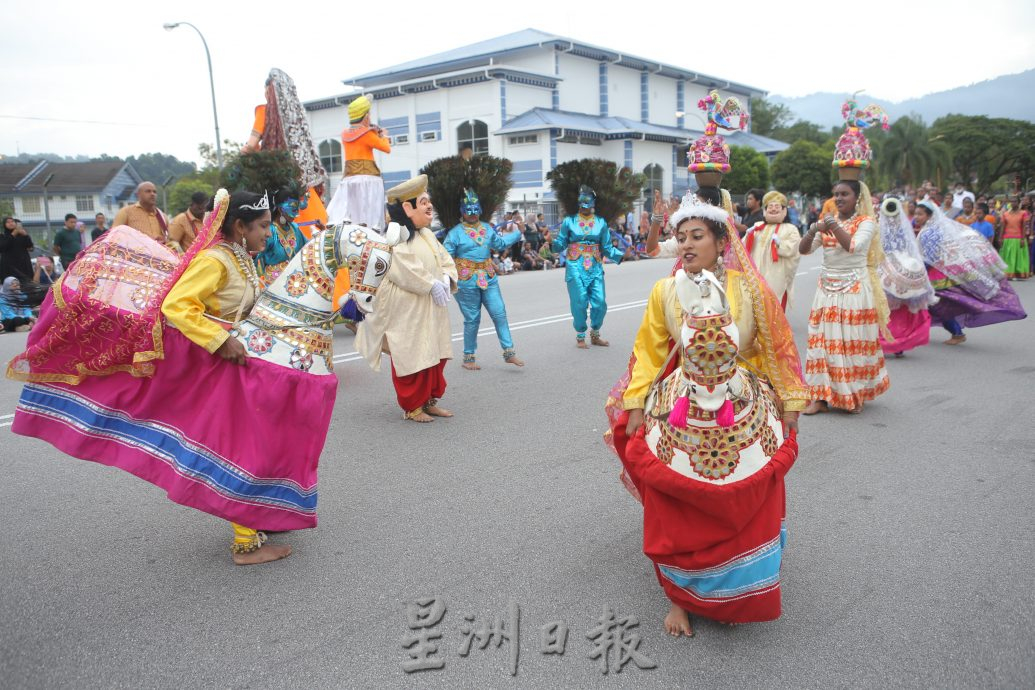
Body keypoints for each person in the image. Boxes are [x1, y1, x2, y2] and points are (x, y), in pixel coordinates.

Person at [605, 191, 805, 636]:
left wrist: (788, 401)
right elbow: (649, 351)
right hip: (682, 405)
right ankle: (680, 597)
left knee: (749, 496)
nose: (688, 244)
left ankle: (744, 586)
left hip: (741, 401)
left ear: (721, 240)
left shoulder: (749, 288)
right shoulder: (664, 290)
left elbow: (775, 344)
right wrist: (636, 404)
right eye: (681, 237)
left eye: (698, 235)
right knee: (676, 502)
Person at [800, 99, 891, 415]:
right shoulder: (828, 219)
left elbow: (852, 246)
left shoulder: (866, 222)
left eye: (844, 195)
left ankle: (852, 394)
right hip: (827, 290)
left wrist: (832, 224)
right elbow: (803, 250)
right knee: (822, 341)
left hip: (854, 291)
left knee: (850, 343)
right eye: (836, 194)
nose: (838, 199)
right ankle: (821, 397)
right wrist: (812, 231)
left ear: (857, 197)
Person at [355, 175, 458, 422]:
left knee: (435, 350)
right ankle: (412, 407)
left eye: (428, 201)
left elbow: (445, 259)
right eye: (423, 202)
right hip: (408, 307)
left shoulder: (427, 235)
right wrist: (429, 283)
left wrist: (445, 278)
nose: (429, 206)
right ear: (407, 208)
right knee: (413, 353)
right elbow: (403, 268)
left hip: (432, 305)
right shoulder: (396, 236)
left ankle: (429, 400)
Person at [914, 200, 1026, 344]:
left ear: (929, 216)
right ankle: (921, 333)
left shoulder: (929, 232)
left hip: (935, 274)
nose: (916, 217)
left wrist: (918, 272)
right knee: (930, 305)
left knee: (936, 305)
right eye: (916, 214)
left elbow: (930, 258)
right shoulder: (930, 229)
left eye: (920, 214)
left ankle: (956, 333)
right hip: (937, 272)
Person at [443, 189, 524, 370]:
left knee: (499, 312)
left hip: (488, 277)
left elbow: (500, 244)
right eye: (468, 209)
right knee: (472, 319)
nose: (472, 213)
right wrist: (447, 278)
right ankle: (468, 357)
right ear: (462, 211)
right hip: (465, 281)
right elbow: (444, 256)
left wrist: (518, 233)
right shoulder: (455, 233)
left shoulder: (487, 228)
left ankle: (509, 352)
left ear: (480, 209)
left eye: (475, 209)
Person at [242, 69, 329, 239]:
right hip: (306, 195)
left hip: (280, 195)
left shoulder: (264, 112)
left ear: (270, 91)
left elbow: (250, 146)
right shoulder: (296, 119)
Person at [551, 185, 624, 348]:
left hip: (595, 265)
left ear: (593, 204)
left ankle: (595, 334)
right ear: (578, 204)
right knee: (580, 300)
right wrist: (552, 244)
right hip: (575, 264)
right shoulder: (569, 221)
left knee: (600, 302)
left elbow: (606, 246)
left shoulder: (601, 222)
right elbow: (561, 243)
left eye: (588, 203)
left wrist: (619, 255)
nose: (585, 207)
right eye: (582, 204)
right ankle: (580, 336)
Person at [876, 197, 937, 357]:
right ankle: (899, 342)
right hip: (899, 268)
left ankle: (888, 341)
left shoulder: (879, 227)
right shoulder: (903, 227)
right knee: (899, 309)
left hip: (887, 269)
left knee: (887, 309)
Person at [325, 94, 391, 229]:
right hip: (368, 179)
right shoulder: (367, 133)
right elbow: (386, 148)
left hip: (349, 179)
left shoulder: (344, 134)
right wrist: (383, 135)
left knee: (351, 214)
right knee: (370, 215)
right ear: (366, 116)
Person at [743, 191, 801, 310]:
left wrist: (780, 244)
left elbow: (793, 249)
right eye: (770, 207)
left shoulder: (790, 229)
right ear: (764, 210)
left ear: (784, 211)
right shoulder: (758, 226)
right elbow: (744, 248)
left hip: (777, 274)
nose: (773, 209)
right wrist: (749, 235)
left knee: (774, 305)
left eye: (777, 207)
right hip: (757, 273)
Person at [254, 183, 310, 287]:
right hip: (273, 286)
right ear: (280, 210)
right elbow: (255, 257)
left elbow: (308, 248)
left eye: (297, 209)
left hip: (296, 283)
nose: (296, 213)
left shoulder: (295, 228)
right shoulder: (270, 231)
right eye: (292, 209)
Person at [998, 196, 1031, 279]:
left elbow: (1024, 226)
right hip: (1007, 238)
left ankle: (1018, 273)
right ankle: (1008, 274)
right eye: (1011, 201)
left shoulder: (1023, 213)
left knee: (1018, 257)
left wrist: (1023, 238)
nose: (1013, 203)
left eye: (1015, 201)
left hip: (1019, 238)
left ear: (1019, 202)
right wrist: (1000, 238)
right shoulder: (1005, 214)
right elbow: (1002, 226)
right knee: (1008, 257)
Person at [1, 216, 35, 283]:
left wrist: (26, 235)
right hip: (9, 266)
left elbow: (30, 246)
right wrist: (13, 234)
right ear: (4, 225)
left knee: (27, 284)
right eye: (8, 222)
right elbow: (3, 247)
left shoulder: (21, 235)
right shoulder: (2, 236)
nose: (11, 223)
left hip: (23, 265)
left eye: (12, 221)